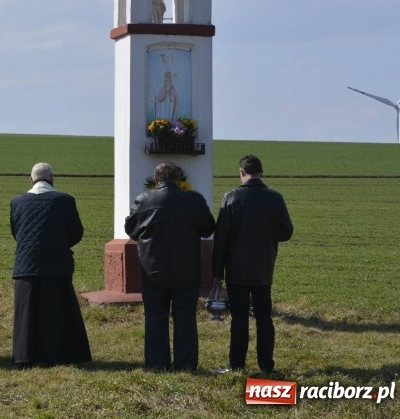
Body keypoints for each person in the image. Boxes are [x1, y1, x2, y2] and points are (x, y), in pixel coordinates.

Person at [124, 162, 215, 371]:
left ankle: (157, 364)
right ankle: (186, 364)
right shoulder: (195, 199)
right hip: (188, 269)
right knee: (186, 318)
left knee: (155, 317)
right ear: (178, 179)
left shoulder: (144, 200)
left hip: (153, 269)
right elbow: (208, 228)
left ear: (156, 180)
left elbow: (131, 230)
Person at [212, 155, 293, 374]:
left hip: (236, 269)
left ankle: (236, 364)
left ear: (241, 172)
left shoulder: (230, 197)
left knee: (239, 319)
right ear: (261, 172)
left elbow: (221, 238)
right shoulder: (275, 198)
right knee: (264, 318)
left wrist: (217, 272)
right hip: (263, 267)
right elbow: (286, 232)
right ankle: (266, 365)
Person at [9, 162, 92, 367]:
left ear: (31, 179)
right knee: (57, 310)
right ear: (52, 178)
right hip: (57, 262)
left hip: (26, 263)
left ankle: (24, 356)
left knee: (27, 313)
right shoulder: (65, 201)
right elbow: (76, 232)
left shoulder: (17, 202)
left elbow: (16, 233)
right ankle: (59, 355)